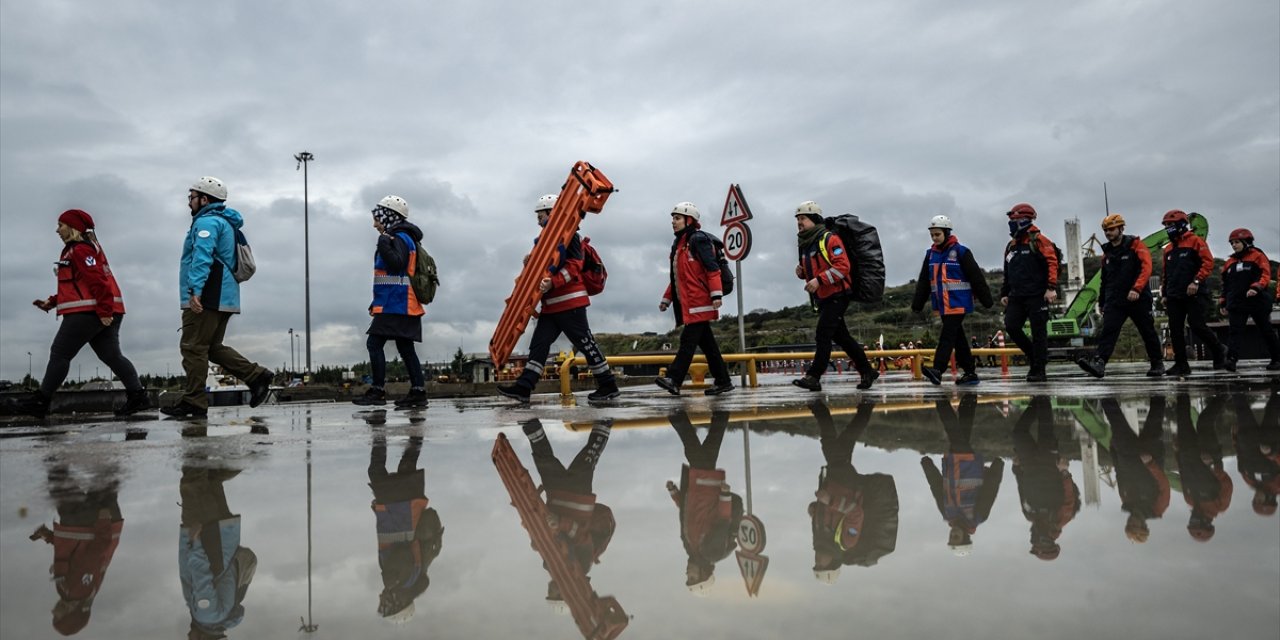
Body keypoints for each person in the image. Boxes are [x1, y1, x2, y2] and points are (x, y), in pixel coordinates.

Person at [13, 209, 149, 418]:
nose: (57, 230)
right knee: (111, 355)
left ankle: (41, 401)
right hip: (101, 309)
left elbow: (98, 282)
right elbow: (78, 285)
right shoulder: (78, 250)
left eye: (61, 225)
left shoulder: (80, 250)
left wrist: (104, 311)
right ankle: (138, 396)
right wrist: (52, 301)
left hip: (91, 312)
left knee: (60, 353)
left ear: (73, 227)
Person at [164, 177, 272, 418]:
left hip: (209, 295)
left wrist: (195, 292)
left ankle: (194, 402)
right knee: (211, 347)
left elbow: (202, 257)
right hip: (225, 295)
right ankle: (256, 376)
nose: (188, 202)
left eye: (191, 197)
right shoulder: (225, 222)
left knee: (192, 347)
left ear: (204, 199)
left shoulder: (207, 223)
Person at [497, 195, 620, 403]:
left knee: (585, 343)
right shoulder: (547, 239)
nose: (538, 220)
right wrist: (530, 262)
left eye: (541, 214)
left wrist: (552, 282)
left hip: (570, 302)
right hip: (552, 305)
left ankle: (608, 386)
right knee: (539, 345)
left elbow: (574, 265)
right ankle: (524, 388)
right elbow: (545, 268)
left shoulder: (569, 236)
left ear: (552, 213)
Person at [522, 418, 615, 608]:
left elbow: (547, 538)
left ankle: (531, 425)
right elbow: (580, 536)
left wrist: (534, 535)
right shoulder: (582, 564)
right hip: (577, 497)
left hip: (556, 496)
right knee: (588, 458)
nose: (550, 590)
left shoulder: (553, 565)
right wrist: (559, 522)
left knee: (544, 460)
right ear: (565, 594)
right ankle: (604, 422)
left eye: (550, 593)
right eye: (554, 594)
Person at [29, 458, 125, 636]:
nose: (53, 612)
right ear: (69, 614)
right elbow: (95, 554)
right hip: (89, 525)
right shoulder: (78, 591)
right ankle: (52, 438)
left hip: (99, 524)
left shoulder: (73, 592)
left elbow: (73, 556)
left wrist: (48, 536)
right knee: (58, 476)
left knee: (107, 471)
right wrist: (104, 520)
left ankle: (134, 435)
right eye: (57, 617)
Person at [790, 201, 879, 392]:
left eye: (803, 218)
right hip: (824, 297)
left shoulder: (830, 239)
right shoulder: (806, 243)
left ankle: (813, 376)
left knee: (823, 334)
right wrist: (802, 273)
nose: (799, 222)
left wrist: (819, 280)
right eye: (797, 219)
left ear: (814, 219)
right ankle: (867, 371)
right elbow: (815, 270)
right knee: (843, 337)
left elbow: (843, 267)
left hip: (837, 294)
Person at [807, 399, 897, 582]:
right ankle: (819, 407)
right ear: (832, 563)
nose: (817, 561)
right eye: (821, 565)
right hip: (846, 482)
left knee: (847, 439)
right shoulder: (847, 542)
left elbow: (823, 514)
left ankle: (866, 407)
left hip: (833, 481)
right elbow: (856, 513)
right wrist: (830, 501)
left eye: (816, 564)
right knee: (829, 441)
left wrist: (813, 509)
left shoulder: (819, 541)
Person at [352, 196, 429, 408]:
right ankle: (418, 391)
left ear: (388, 216)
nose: (374, 224)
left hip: (398, 303)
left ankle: (377, 390)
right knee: (405, 347)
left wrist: (383, 242)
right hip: (397, 302)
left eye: (377, 218)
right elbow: (391, 275)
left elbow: (397, 265)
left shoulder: (399, 237)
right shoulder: (401, 237)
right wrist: (375, 302)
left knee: (374, 344)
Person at [656, 203, 733, 396]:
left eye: (677, 218)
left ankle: (674, 379)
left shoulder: (698, 240)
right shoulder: (680, 244)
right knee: (708, 345)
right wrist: (667, 299)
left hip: (700, 301)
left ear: (689, 220)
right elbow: (678, 278)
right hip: (689, 302)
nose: (673, 222)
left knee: (687, 341)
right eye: (673, 218)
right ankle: (723, 380)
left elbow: (712, 268)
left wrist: (716, 294)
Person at [1076, 214, 1164, 378]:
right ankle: (1099, 363)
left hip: (1138, 299)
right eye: (1105, 230)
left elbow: (1146, 269)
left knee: (1147, 331)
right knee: (1108, 331)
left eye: (1111, 229)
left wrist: (1136, 289)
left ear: (1121, 228)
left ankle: (1157, 363)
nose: (1108, 233)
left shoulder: (1137, 246)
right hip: (1115, 300)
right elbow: (1104, 280)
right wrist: (1102, 302)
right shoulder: (1107, 254)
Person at [368, 432, 443, 623]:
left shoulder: (414, 579)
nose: (380, 599)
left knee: (406, 466)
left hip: (404, 508)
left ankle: (416, 431)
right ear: (397, 602)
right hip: (400, 509)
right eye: (385, 605)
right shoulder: (402, 580)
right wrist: (390, 577)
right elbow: (400, 551)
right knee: (376, 471)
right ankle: (379, 431)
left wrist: (378, 513)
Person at [666, 410, 743, 595]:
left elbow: (687, 514)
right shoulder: (712, 553)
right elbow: (723, 520)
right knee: (692, 447)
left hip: (696, 487)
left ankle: (721, 413)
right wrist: (725, 496)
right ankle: (675, 414)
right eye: (691, 577)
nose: (687, 573)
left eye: (688, 578)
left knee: (710, 444)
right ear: (703, 573)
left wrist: (675, 493)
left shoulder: (690, 549)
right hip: (707, 487)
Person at [911, 215, 993, 386]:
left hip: (958, 302)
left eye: (937, 234)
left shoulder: (961, 252)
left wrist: (987, 300)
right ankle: (970, 372)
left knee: (947, 336)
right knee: (958, 338)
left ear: (947, 233)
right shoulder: (931, 254)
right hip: (942, 305)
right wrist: (918, 303)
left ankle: (937, 370)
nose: (934, 238)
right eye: (932, 235)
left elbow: (976, 277)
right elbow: (924, 280)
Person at [179, 463, 257, 639]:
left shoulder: (222, 617)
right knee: (192, 483)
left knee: (212, 482)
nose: (187, 636)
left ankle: (248, 453)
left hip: (223, 539)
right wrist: (195, 542)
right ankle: (196, 439)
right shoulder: (206, 616)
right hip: (208, 537)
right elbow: (201, 577)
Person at [921, 394, 1003, 556]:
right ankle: (940, 398)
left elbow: (937, 488)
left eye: (951, 537)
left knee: (963, 428)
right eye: (956, 538)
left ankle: (969, 398)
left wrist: (927, 465)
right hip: (967, 463)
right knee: (952, 428)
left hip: (952, 463)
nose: (953, 534)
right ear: (966, 537)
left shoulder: (947, 514)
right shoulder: (978, 516)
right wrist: (998, 466)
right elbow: (990, 490)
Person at [1012, 395, 1079, 560]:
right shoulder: (1060, 519)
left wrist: (1017, 469)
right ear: (1047, 544)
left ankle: (1037, 400)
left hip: (1028, 466)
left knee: (1019, 433)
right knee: (1045, 428)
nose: (1033, 542)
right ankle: (1044, 398)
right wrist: (1064, 471)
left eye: (1033, 545)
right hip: (1050, 465)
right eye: (1036, 546)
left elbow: (1022, 489)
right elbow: (1069, 497)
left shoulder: (1030, 516)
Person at [1159, 209, 1226, 375]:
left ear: (1182, 225)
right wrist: (1165, 294)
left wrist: (1196, 281)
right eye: (1166, 225)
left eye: (1171, 225)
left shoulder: (1196, 241)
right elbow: (1166, 273)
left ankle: (1219, 350)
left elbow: (1208, 263)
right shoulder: (1167, 249)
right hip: (1174, 295)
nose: (1168, 228)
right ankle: (1181, 364)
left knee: (1196, 325)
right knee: (1175, 329)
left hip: (1194, 292)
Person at [1000, 203, 1058, 382]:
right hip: (1016, 295)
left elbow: (1052, 263)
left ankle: (1039, 369)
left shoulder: (1039, 241)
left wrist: (1051, 288)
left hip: (1037, 295)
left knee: (1038, 332)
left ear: (1025, 220)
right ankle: (1034, 356)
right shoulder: (1011, 245)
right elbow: (1007, 270)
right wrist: (1005, 293)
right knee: (1011, 326)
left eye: (1014, 220)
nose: (1011, 223)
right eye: (1011, 220)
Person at [1101, 397, 1169, 543]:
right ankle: (1157, 384)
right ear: (1143, 525)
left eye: (1128, 524)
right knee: (1155, 417)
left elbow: (1120, 475)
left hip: (1126, 453)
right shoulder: (1157, 509)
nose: (1130, 521)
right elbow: (1164, 484)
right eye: (1133, 525)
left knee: (1115, 419)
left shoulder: (1126, 501)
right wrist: (1150, 463)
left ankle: (1103, 388)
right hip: (1150, 454)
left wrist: (1113, 451)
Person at [1218, 228, 1280, 371]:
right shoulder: (1229, 263)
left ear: (1246, 242)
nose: (1234, 245)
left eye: (1237, 242)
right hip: (1237, 302)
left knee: (1266, 330)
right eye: (1232, 243)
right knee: (1235, 332)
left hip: (1257, 301)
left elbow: (1265, 274)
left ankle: (1277, 359)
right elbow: (1225, 284)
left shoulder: (1258, 256)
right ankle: (1231, 360)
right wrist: (1223, 301)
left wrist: (1256, 287)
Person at [1174, 394, 1231, 542]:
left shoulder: (1190, 500)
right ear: (1207, 523)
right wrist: (1212, 465)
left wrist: (1177, 452)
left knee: (1182, 418)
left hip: (1187, 452)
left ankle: (1182, 389)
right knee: (1204, 421)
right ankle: (1223, 394)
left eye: (1191, 523)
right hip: (1209, 455)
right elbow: (1226, 483)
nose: (1192, 520)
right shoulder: (1220, 505)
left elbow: (1183, 474)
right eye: (1195, 523)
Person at [1232, 391, 1280, 516]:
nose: (1256, 497)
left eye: (1255, 499)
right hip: (1269, 439)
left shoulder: (1250, 480)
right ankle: (1276, 385)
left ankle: (1235, 387)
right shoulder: (1278, 484)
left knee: (1242, 411)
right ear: (1269, 499)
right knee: (1273, 410)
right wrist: (1271, 453)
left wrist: (1235, 438)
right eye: (1259, 500)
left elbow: (1240, 457)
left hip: (1248, 437)